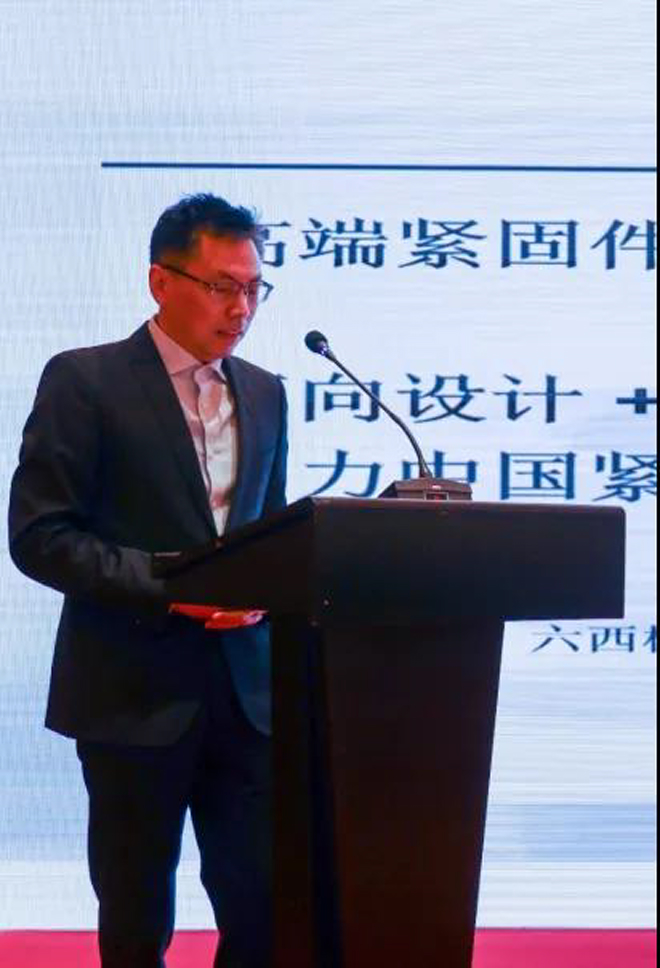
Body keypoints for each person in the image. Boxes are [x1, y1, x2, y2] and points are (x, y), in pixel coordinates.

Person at [8, 193, 288, 968]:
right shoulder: (86, 382)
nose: (241, 308)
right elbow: (40, 537)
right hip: (132, 695)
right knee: (136, 915)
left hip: (248, 698)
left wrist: (272, 589)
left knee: (264, 906)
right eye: (222, 286)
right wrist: (171, 587)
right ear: (161, 281)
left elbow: (270, 533)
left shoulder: (266, 392)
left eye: (254, 288)